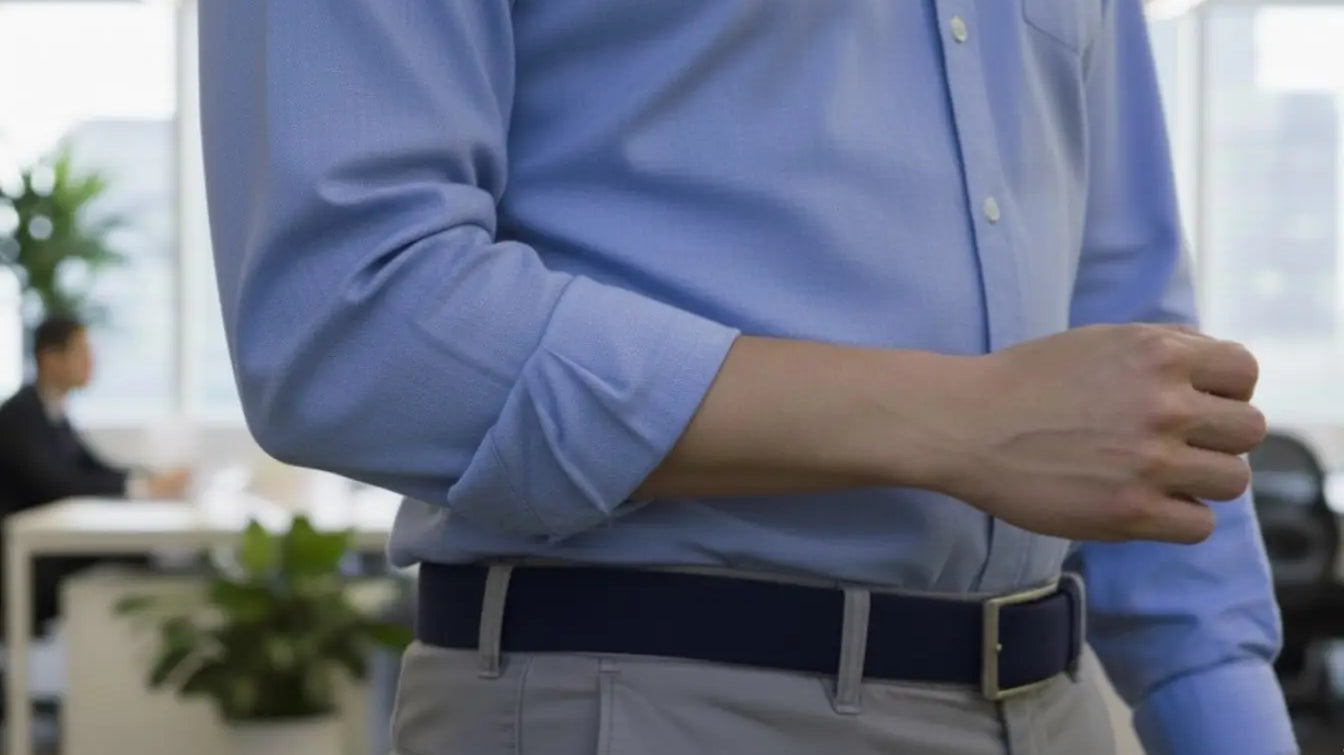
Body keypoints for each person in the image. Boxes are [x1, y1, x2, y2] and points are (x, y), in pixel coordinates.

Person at [199, 2, 1294, 754]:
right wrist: (965, 422)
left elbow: (1139, 369)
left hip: (1053, 710)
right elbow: (349, 320)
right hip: (650, 699)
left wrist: (1227, 713)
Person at [0, 315, 190, 630]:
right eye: (82, 351)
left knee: (154, 555)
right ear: (50, 358)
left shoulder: (54, 411)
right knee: (138, 554)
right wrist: (141, 488)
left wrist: (148, 478)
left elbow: (93, 466)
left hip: (49, 545)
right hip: (26, 557)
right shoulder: (19, 416)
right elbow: (58, 485)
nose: (91, 362)